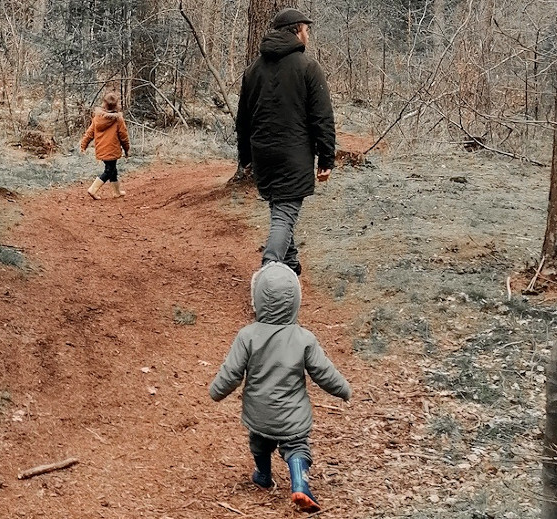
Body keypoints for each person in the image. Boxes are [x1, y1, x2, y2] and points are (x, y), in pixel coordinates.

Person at [210, 262, 351, 513]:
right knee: (296, 446)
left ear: (257, 299)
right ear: (296, 299)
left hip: (259, 412)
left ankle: (263, 475)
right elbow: (323, 372)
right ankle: (299, 482)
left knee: (259, 442)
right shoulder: (303, 338)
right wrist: (343, 389)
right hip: (292, 415)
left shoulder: (248, 335)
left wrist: (216, 391)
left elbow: (231, 372)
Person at [236, 8, 338, 275]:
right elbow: (322, 118)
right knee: (284, 214)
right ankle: (270, 271)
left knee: (280, 209)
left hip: (263, 155)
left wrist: (245, 157)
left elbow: (243, 120)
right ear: (296, 30)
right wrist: (327, 158)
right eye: (306, 30)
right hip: (294, 155)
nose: (308, 35)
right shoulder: (308, 67)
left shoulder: (252, 70)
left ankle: (290, 264)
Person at [79, 92, 131, 199]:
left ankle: (116, 192)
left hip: (101, 149)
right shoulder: (118, 120)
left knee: (113, 169)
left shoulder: (97, 118)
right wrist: (127, 149)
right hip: (112, 150)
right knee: (109, 171)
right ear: (117, 105)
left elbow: (89, 133)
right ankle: (92, 189)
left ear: (103, 104)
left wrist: (83, 145)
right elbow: (123, 136)